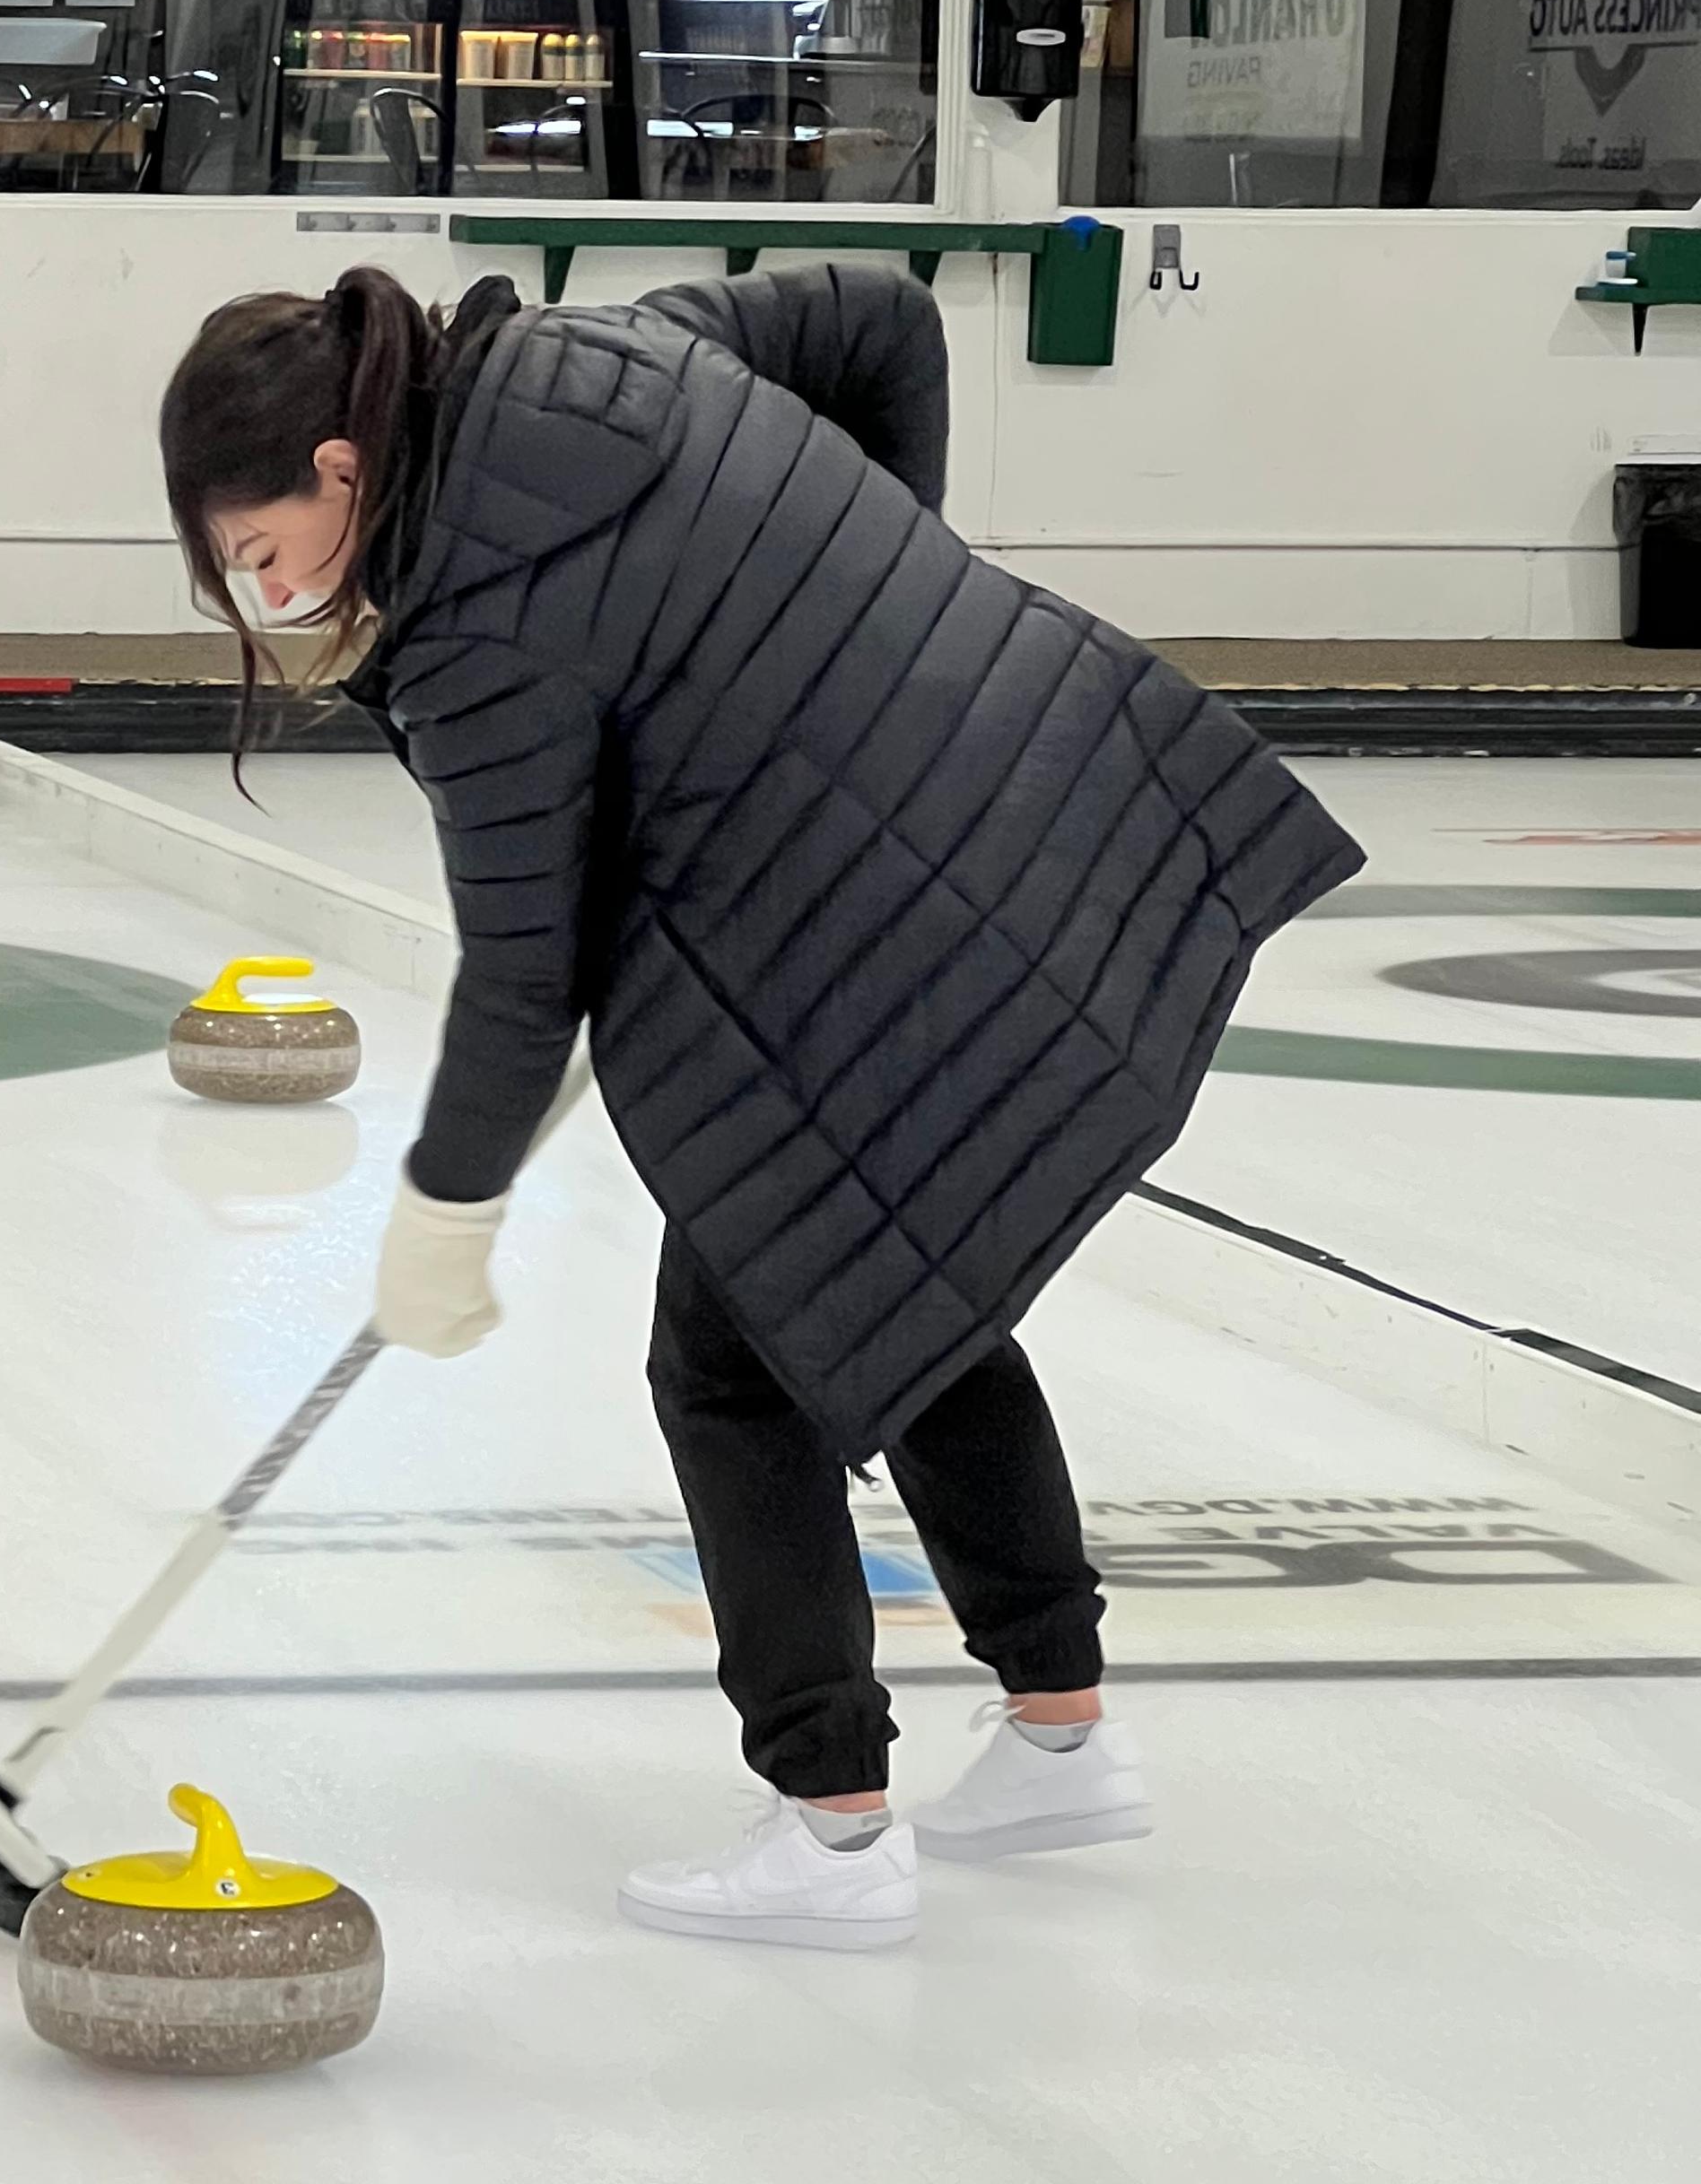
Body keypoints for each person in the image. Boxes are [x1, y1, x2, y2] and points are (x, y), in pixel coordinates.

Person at [157, 262, 1364, 1952]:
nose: (265, 594)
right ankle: (1061, 1727)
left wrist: (444, 1205)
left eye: (261, 554)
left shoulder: (474, 642)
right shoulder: (607, 350)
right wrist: (885, 598)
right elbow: (885, 321)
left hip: (864, 930)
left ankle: (835, 1824)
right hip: (1032, 787)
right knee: (902, 1291)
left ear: (344, 476)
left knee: (731, 1365)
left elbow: (526, 969)